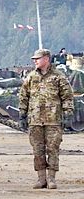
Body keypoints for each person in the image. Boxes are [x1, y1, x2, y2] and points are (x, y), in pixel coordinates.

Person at [18, 48, 74, 189]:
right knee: (38, 150)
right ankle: (41, 178)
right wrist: (22, 114)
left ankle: (51, 178)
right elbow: (24, 96)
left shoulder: (58, 77)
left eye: (38, 58)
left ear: (47, 59)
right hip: (35, 120)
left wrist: (68, 113)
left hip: (53, 120)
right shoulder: (31, 77)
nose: (35, 61)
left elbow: (67, 96)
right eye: (34, 59)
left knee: (53, 149)